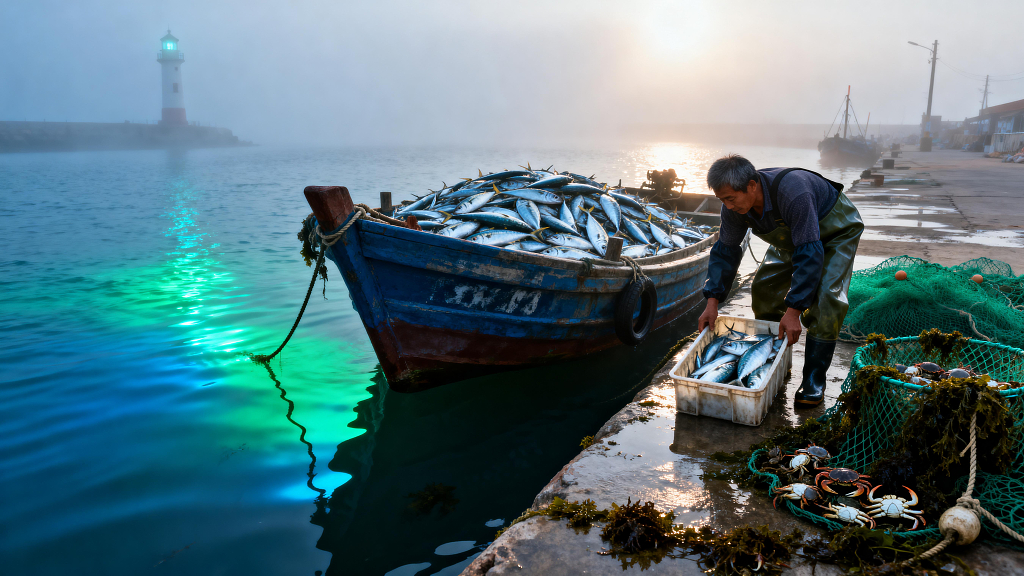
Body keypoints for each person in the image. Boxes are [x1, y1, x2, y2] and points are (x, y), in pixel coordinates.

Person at [697, 154, 863, 407]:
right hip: (793, 237)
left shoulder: (793, 193)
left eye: (731, 199)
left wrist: (794, 311)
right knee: (764, 289)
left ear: (752, 185)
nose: (728, 206)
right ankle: (773, 363)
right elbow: (725, 251)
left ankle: (813, 380)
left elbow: (809, 253)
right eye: (722, 200)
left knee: (828, 299)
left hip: (835, 231)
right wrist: (712, 301)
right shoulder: (732, 207)